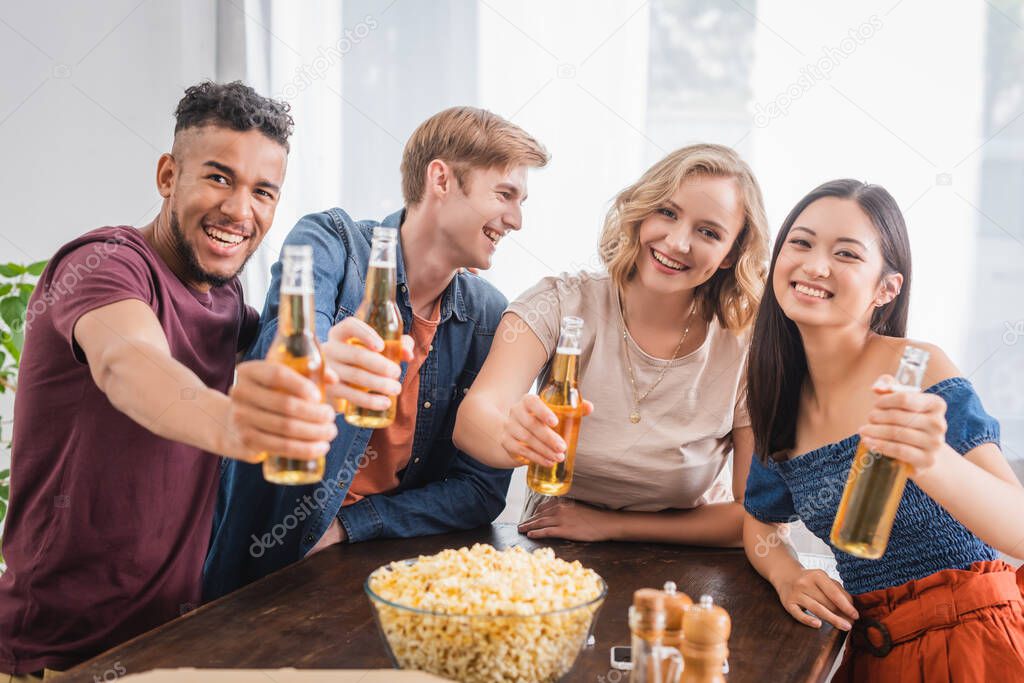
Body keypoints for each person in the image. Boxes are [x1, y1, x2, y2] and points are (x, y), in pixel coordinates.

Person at [0, 81, 336, 678]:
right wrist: (233, 424)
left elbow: (285, 363)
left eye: (263, 191)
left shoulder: (228, 301)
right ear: (166, 176)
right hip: (55, 662)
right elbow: (129, 365)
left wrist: (341, 368)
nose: (239, 210)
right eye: (218, 177)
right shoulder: (104, 265)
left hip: (168, 650)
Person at [203, 107, 550, 598]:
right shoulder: (332, 244)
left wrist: (352, 525)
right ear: (441, 179)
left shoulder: (489, 317)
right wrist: (326, 360)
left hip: (382, 570)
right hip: (262, 553)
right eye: (505, 195)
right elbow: (288, 353)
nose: (515, 219)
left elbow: (479, 491)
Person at [741, 179, 1024, 681]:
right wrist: (788, 575)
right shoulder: (778, 396)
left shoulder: (919, 369)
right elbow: (760, 521)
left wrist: (932, 460)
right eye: (801, 243)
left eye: (846, 254)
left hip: (974, 638)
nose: (815, 265)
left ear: (886, 289)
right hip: (871, 650)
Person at [454, 144, 769, 545]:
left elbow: (755, 517)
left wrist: (610, 527)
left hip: (692, 561)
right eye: (667, 212)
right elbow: (473, 420)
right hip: (555, 551)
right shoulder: (559, 302)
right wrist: (512, 438)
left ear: (731, 254)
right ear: (641, 212)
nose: (677, 242)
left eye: (708, 232)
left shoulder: (745, 349)